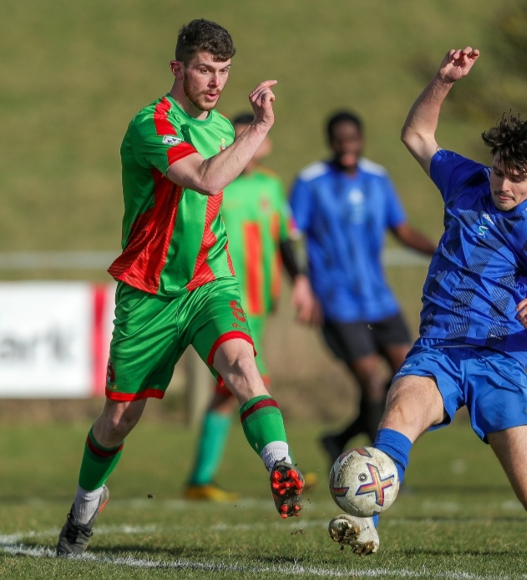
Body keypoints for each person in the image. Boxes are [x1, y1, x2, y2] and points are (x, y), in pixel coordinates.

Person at [327, 47, 527, 556]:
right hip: (439, 349)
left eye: (517, 177)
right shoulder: (467, 181)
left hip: (499, 362)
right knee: (399, 414)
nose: (504, 185)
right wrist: (444, 81)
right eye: (499, 171)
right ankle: (365, 523)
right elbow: (416, 136)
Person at [56, 19, 305, 557]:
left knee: (242, 364)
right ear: (178, 68)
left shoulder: (222, 130)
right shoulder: (152, 124)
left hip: (207, 282)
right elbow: (207, 179)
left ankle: (280, 463)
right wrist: (257, 131)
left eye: (224, 72)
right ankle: (85, 503)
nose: (215, 82)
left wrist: (247, 135)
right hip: (148, 291)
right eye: (204, 70)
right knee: (119, 419)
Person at [289, 110, 436, 468]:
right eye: (340, 140)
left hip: (378, 298)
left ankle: (339, 438)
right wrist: (301, 283)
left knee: (410, 376)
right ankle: (380, 469)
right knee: (371, 381)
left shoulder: (377, 179)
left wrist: (443, 251)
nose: (347, 147)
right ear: (331, 142)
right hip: (336, 301)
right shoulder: (311, 183)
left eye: (352, 139)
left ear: (361, 139)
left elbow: (400, 230)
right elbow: (287, 235)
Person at [184, 112, 319, 501]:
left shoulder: (271, 185)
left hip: (261, 303)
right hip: (226, 300)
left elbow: (283, 239)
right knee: (249, 382)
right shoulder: (215, 186)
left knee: (231, 389)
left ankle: (201, 478)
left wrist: (302, 283)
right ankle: (281, 465)